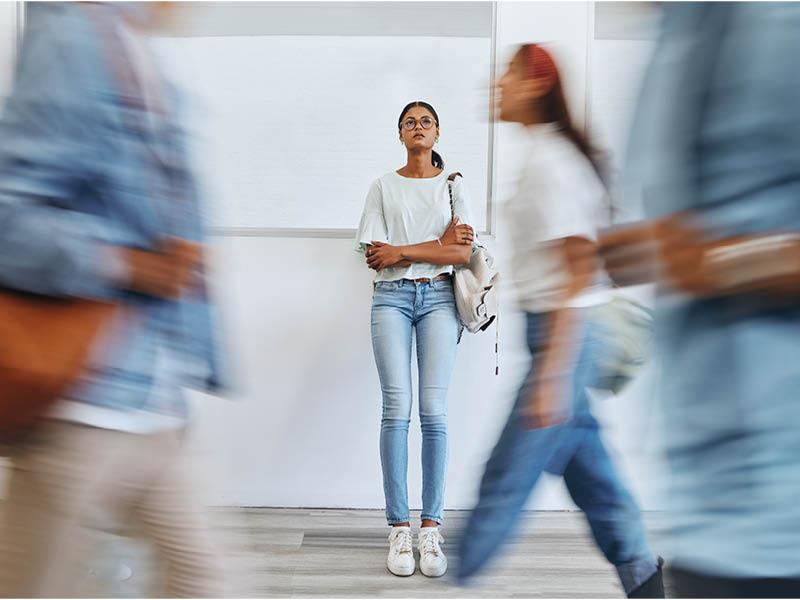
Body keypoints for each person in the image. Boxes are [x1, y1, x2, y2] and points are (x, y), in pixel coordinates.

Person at [0, 3, 227, 596]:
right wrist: (128, 263)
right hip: (83, 397)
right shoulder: (72, 38)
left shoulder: (139, 51)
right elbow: (9, 218)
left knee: (204, 580)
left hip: (154, 393)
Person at [599, 3, 800, 596]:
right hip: (702, 503)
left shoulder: (776, 23)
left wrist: (712, 262)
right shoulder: (673, 30)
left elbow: (702, 253)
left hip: (779, 514)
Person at [456, 45, 663, 598]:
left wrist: (553, 371)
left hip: (564, 337)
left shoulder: (553, 163)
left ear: (535, 85)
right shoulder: (545, 154)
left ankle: (458, 582)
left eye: (506, 74)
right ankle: (644, 576)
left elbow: (578, 269)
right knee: (592, 473)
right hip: (559, 335)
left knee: (507, 476)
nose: (495, 84)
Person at [354, 101, 475, 578]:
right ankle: (399, 528)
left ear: (438, 132)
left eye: (426, 121)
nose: (418, 127)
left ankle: (431, 527)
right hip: (391, 300)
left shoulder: (453, 185)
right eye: (410, 122)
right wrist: (434, 246)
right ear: (400, 134)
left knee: (434, 413)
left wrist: (404, 249)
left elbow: (461, 253)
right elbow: (375, 257)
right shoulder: (383, 186)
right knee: (395, 409)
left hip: (441, 299)